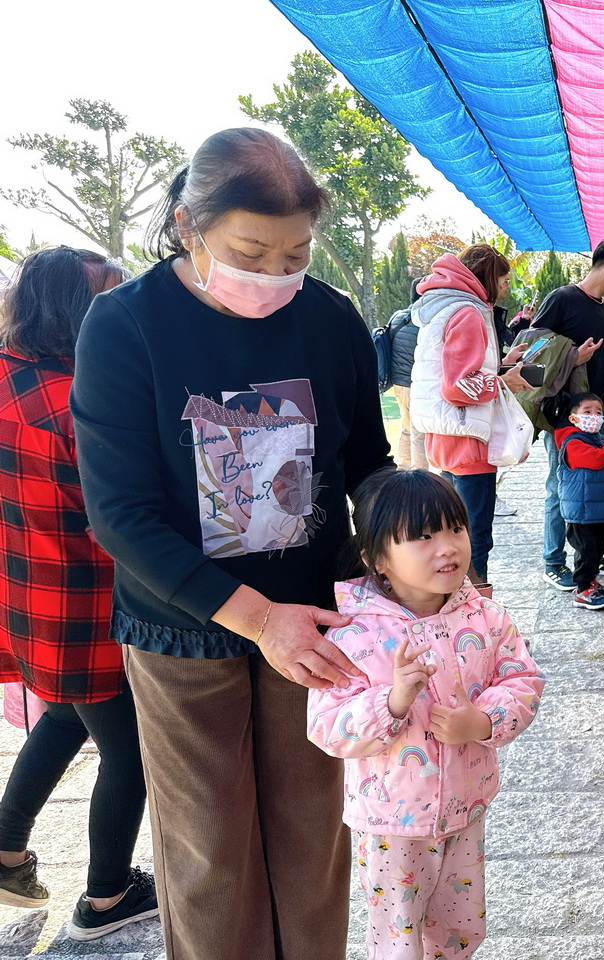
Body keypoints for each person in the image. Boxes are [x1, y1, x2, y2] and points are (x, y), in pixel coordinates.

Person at [70, 128, 395, 960]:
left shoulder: (329, 319)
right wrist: (254, 617)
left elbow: (367, 461)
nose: (276, 274)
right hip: (186, 627)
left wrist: (415, 547)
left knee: (311, 838)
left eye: (296, 253)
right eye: (251, 249)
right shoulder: (124, 325)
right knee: (211, 852)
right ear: (189, 226)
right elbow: (121, 514)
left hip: (314, 622)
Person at [308, 468, 543, 960]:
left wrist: (482, 722)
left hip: (466, 808)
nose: (447, 547)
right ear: (377, 560)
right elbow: (326, 725)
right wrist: (392, 703)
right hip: (391, 822)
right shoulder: (354, 635)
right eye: (422, 536)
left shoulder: (486, 617)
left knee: (461, 928)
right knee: (398, 937)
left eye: (454, 528)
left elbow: (523, 681)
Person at [0, 247, 157, 941]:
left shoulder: (8, 376)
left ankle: (4, 850)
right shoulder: (76, 400)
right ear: (74, 313)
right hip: (85, 600)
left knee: (64, 717)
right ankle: (107, 896)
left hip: (27, 592)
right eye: (106, 300)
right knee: (129, 752)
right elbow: (120, 516)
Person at [408, 244, 531, 589]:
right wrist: (502, 380)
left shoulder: (445, 307)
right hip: (468, 443)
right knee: (473, 540)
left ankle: (456, 619)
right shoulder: (469, 312)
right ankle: (477, 625)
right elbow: (458, 385)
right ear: (489, 277)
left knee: (448, 538)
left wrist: (500, 368)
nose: (506, 287)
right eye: (504, 279)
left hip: (446, 439)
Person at [532, 238, 604, 590]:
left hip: (599, 414)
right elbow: (529, 353)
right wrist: (572, 359)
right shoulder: (561, 299)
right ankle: (554, 560)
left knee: (597, 482)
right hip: (566, 416)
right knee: (560, 487)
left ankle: (589, 554)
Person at [554, 393, 604, 610]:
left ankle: (591, 582)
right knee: (586, 551)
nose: (594, 416)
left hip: (596, 508)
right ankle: (582, 590)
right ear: (573, 418)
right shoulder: (572, 442)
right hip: (580, 509)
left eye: (598, 412)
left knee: (597, 549)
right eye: (587, 412)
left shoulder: (597, 440)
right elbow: (595, 460)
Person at [388, 306, 427, 470]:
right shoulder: (424, 321)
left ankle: (403, 467)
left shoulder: (397, 317)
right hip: (417, 384)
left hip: (399, 384)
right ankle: (420, 473)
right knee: (419, 432)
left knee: (406, 427)